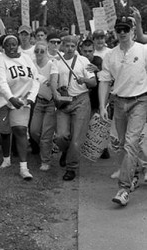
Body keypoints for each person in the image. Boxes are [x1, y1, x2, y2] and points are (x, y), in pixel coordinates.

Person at [98, 16, 147, 206]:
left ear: (133, 31)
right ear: (115, 32)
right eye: (119, 29)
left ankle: (124, 189)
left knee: (131, 143)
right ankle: (134, 174)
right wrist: (102, 105)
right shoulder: (110, 55)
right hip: (119, 103)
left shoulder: (143, 50)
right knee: (123, 144)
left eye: (126, 29)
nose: (123, 33)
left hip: (140, 101)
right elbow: (104, 81)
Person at [50, 35, 96, 181]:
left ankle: (71, 168)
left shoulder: (83, 61)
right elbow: (53, 81)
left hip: (81, 101)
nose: (69, 49)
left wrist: (85, 79)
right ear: (62, 46)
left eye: (73, 46)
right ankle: (66, 151)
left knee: (76, 140)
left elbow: (93, 83)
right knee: (60, 136)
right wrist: (55, 93)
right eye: (67, 45)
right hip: (64, 102)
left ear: (76, 47)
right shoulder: (56, 61)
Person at [0, 34, 39, 180]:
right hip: (3, 100)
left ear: (18, 44)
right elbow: (1, 82)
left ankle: (23, 168)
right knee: (5, 131)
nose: (11, 47)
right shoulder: (0, 59)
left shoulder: (26, 58)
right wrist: (11, 98)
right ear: (3, 47)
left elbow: (36, 79)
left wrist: (31, 98)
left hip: (22, 100)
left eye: (14, 44)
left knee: (20, 129)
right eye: (8, 45)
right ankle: (6, 159)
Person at [29, 41, 56, 171]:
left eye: (42, 51)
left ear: (46, 52)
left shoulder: (51, 64)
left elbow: (55, 81)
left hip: (51, 102)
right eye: (37, 50)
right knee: (33, 131)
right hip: (38, 101)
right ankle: (48, 147)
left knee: (46, 134)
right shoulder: (32, 64)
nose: (39, 53)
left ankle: (45, 160)